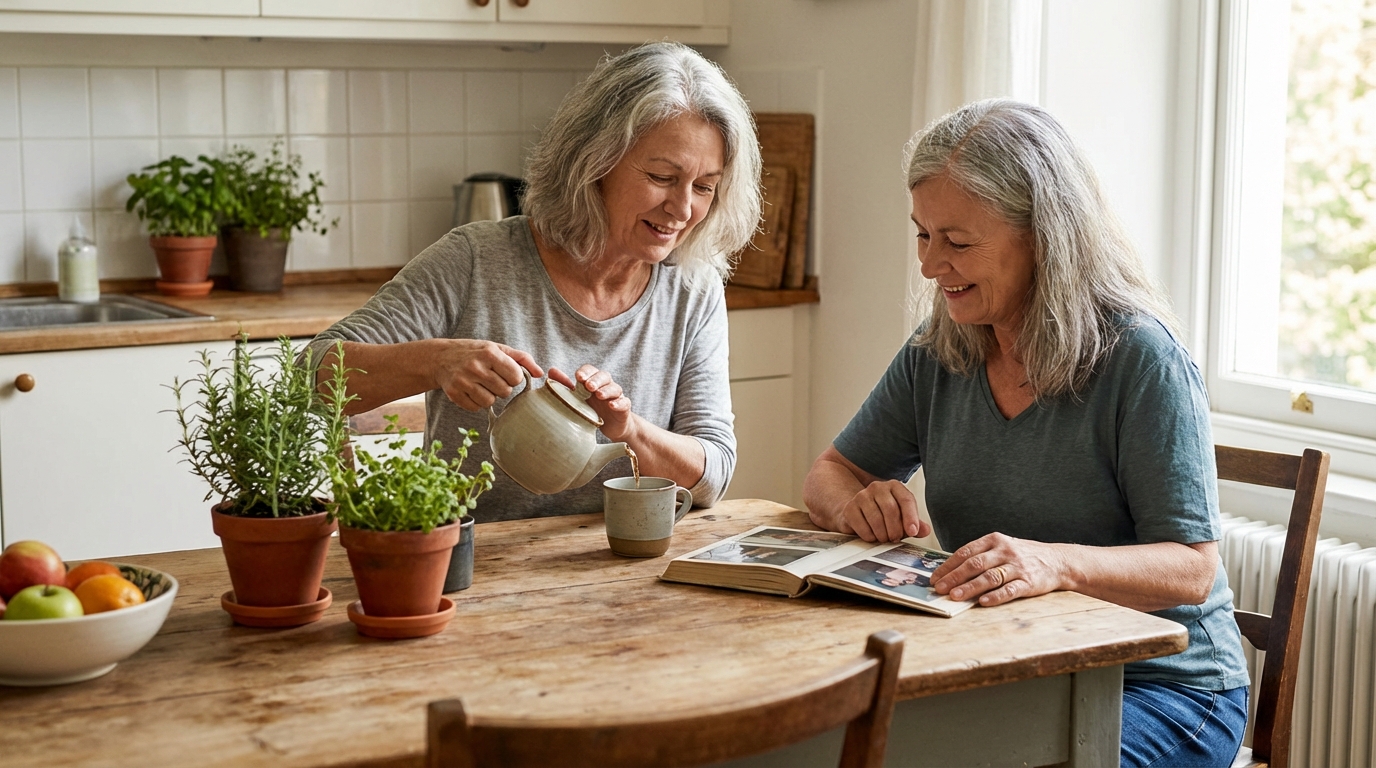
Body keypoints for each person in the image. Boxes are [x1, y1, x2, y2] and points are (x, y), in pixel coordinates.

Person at [802, 99, 1250, 768]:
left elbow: (1191, 568)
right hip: (1014, 664)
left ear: (1044, 236)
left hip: (1166, 687)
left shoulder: (1140, 359)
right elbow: (830, 473)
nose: (930, 265)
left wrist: (1055, 562)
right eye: (922, 235)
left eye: (957, 242)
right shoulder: (938, 350)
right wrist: (852, 503)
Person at [303, 42, 761, 522]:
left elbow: (713, 474)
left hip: (629, 571)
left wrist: (628, 430)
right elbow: (308, 375)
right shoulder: (476, 260)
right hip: (472, 567)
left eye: (705, 186)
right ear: (594, 161)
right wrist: (436, 362)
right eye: (663, 177)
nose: (684, 208)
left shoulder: (693, 288)